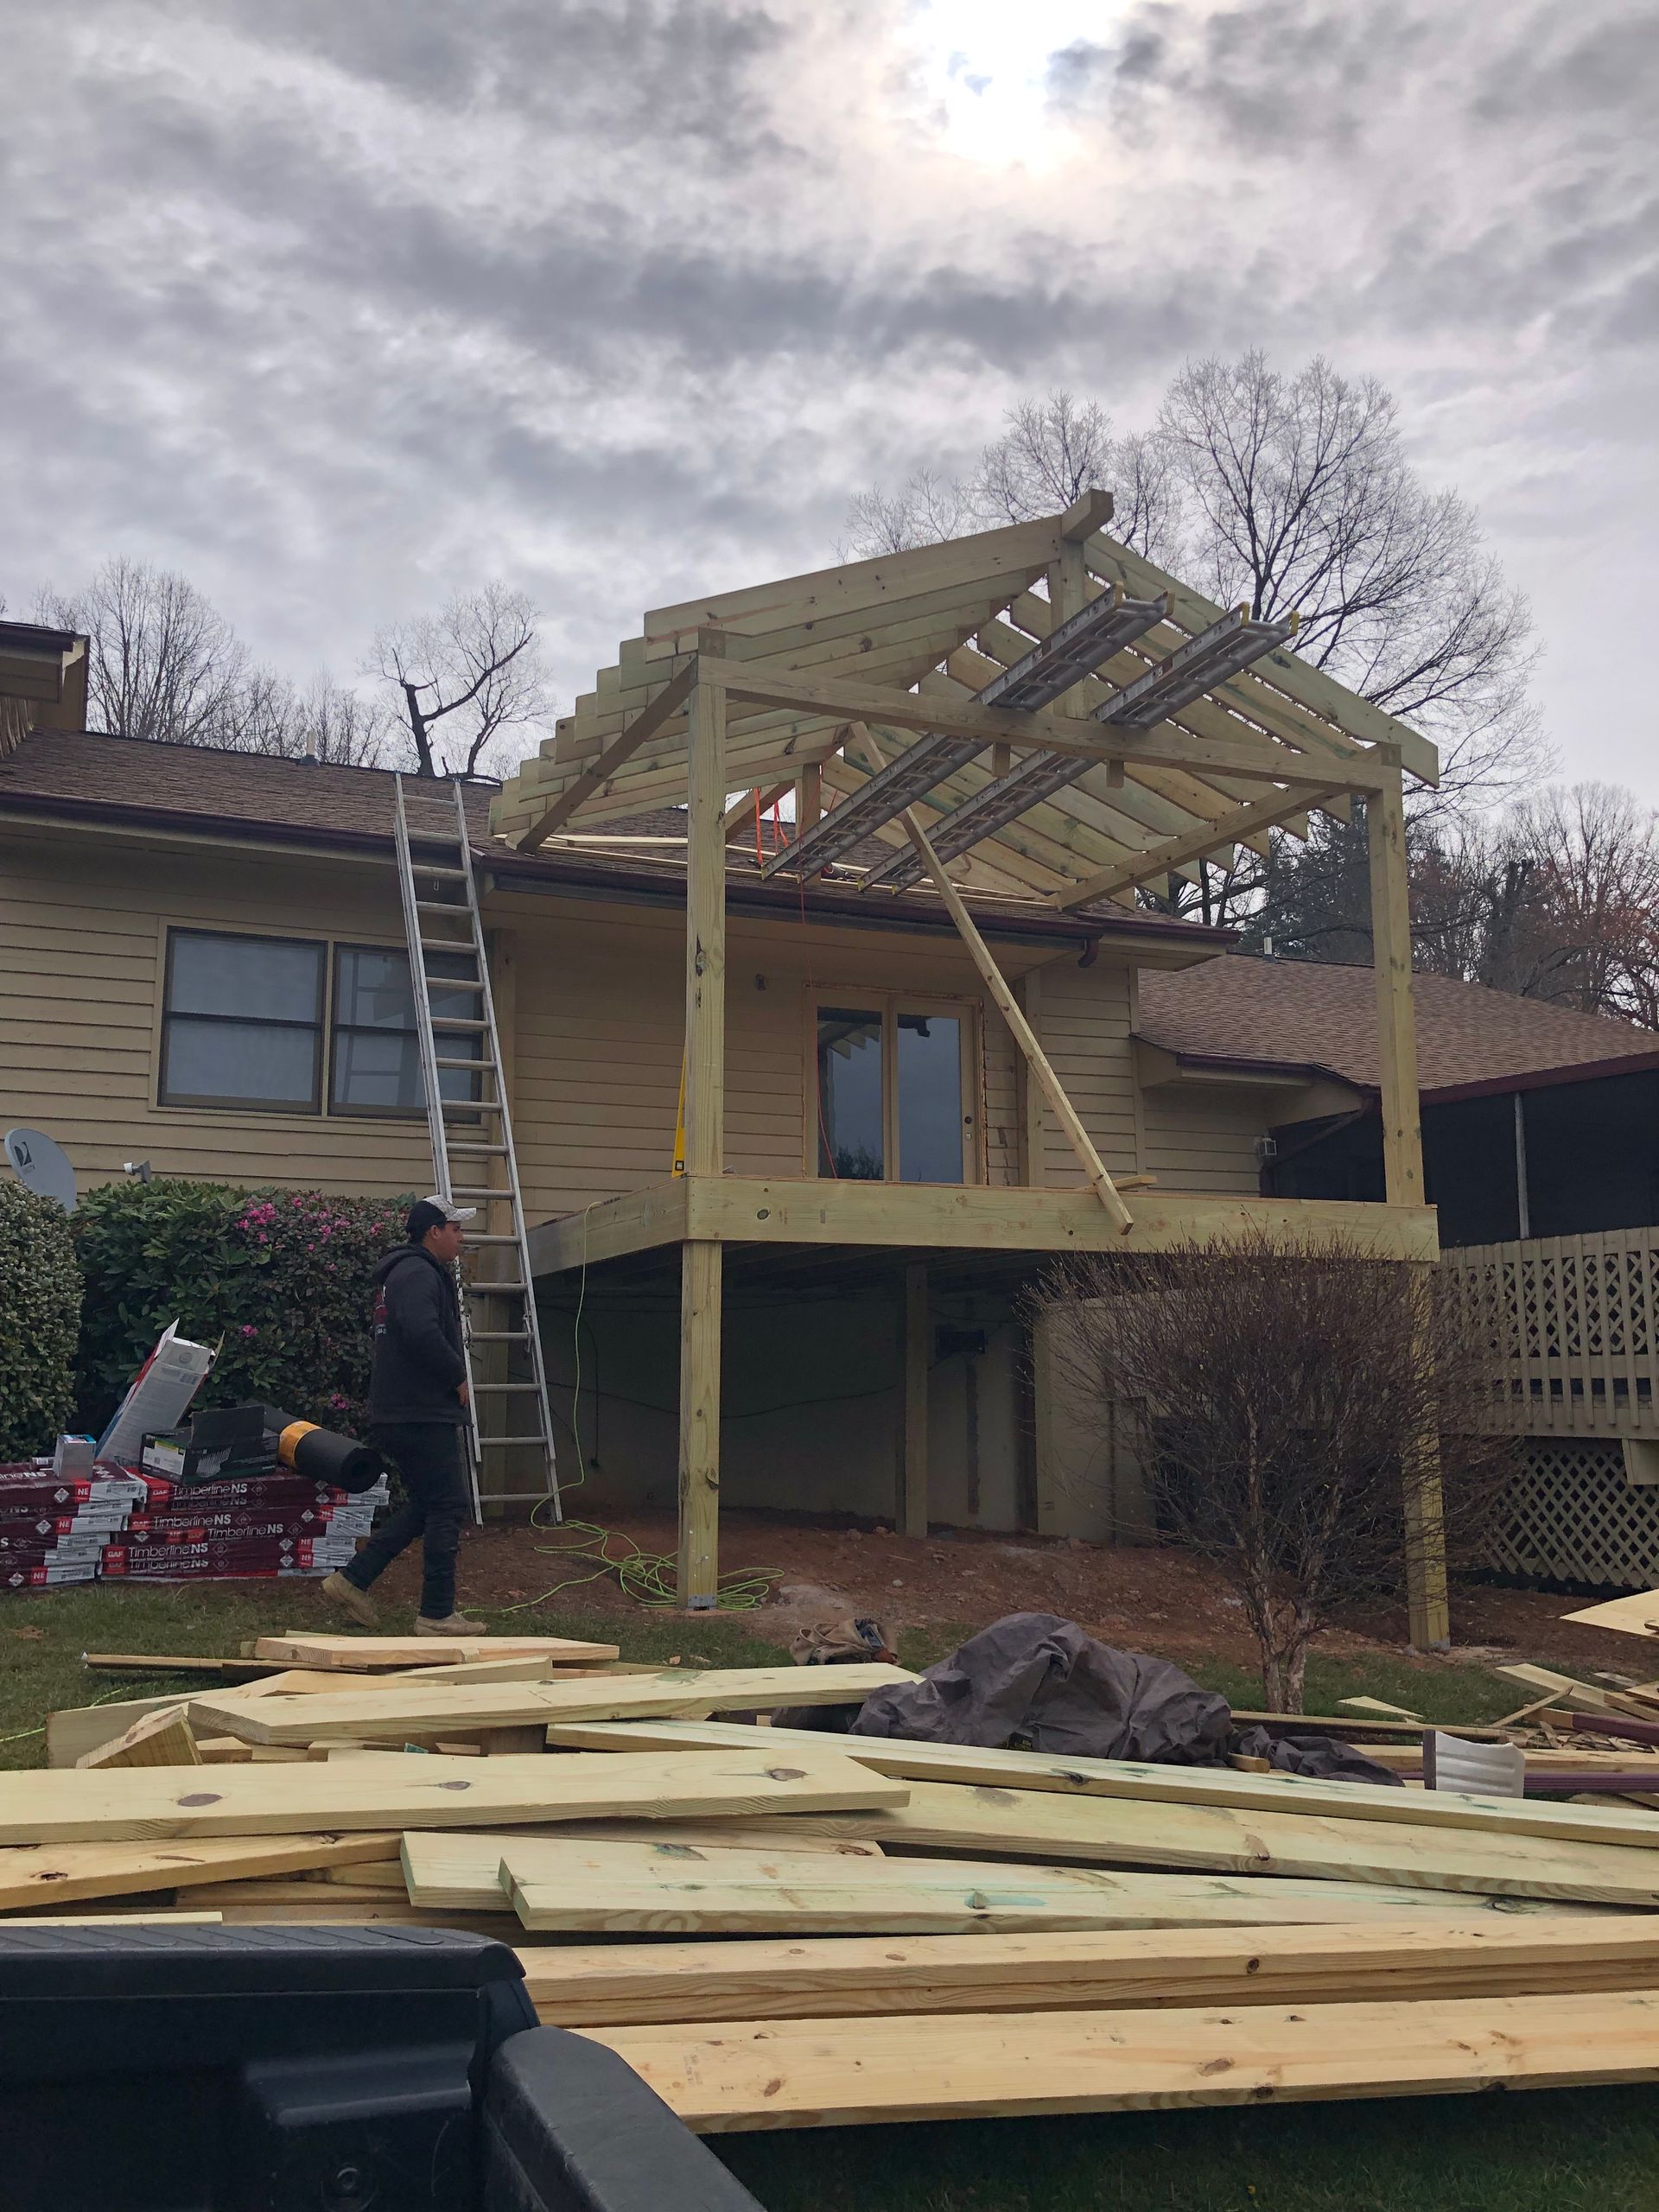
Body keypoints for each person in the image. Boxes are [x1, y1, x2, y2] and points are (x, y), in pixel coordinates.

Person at [321, 1195, 482, 1635]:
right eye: (455, 1229)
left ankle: (352, 1580)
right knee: (447, 1504)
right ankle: (436, 1614)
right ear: (434, 1231)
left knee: (429, 1502)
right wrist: (456, 1376)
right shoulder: (416, 1272)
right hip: (419, 1410)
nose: (461, 1237)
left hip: (407, 1409)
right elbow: (420, 1330)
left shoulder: (408, 1272)